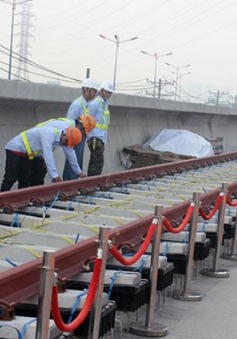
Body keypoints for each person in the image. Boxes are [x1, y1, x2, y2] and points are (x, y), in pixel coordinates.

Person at [0, 126, 81, 191]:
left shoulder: (57, 140)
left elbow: (41, 150)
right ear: (63, 135)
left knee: (25, 180)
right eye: (66, 142)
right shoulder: (49, 134)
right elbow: (48, 153)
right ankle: (2, 199)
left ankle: (21, 202)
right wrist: (54, 176)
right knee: (10, 177)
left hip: (26, 154)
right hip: (15, 148)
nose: (66, 144)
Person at [32, 115, 96, 185]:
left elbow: (70, 151)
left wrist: (79, 172)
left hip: (38, 150)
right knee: (35, 176)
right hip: (34, 147)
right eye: (84, 133)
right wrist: (55, 176)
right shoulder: (66, 129)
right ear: (80, 126)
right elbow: (68, 152)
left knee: (38, 175)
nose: (83, 136)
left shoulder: (69, 127)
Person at [64, 77, 99, 180]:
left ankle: (73, 184)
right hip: (73, 138)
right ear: (86, 89)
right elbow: (68, 123)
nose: (94, 94)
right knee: (72, 163)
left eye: (95, 92)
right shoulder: (77, 104)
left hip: (81, 137)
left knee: (78, 163)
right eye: (93, 91)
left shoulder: (86, 105)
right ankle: (68, 185)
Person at [87, 80, 114, 176]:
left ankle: (93, 181)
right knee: (96, 162)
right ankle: (91, 181)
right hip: (95, 137)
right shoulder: (95, 104)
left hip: (101, 137)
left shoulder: (104, 104)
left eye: (110, 93)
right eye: (107, 92)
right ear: (102, 90)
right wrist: (90, 136)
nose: (108, 94)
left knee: (98, 162)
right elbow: (87, 120)